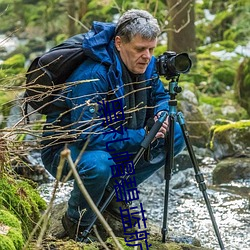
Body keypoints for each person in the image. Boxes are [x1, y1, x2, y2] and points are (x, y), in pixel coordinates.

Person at [41, 9, 185, 241]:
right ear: (119, 43)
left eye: (151, 49)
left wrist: (161, 114)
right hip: (68, 149)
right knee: (100, 166)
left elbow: (159, 96)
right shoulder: (93, 75)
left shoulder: (145, 64)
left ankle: (112, 195)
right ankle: (76, 222)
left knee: (175, 133)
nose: (147, 56)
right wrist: (142, 135)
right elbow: (88, 135)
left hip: (118, 134)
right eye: (140, 49)